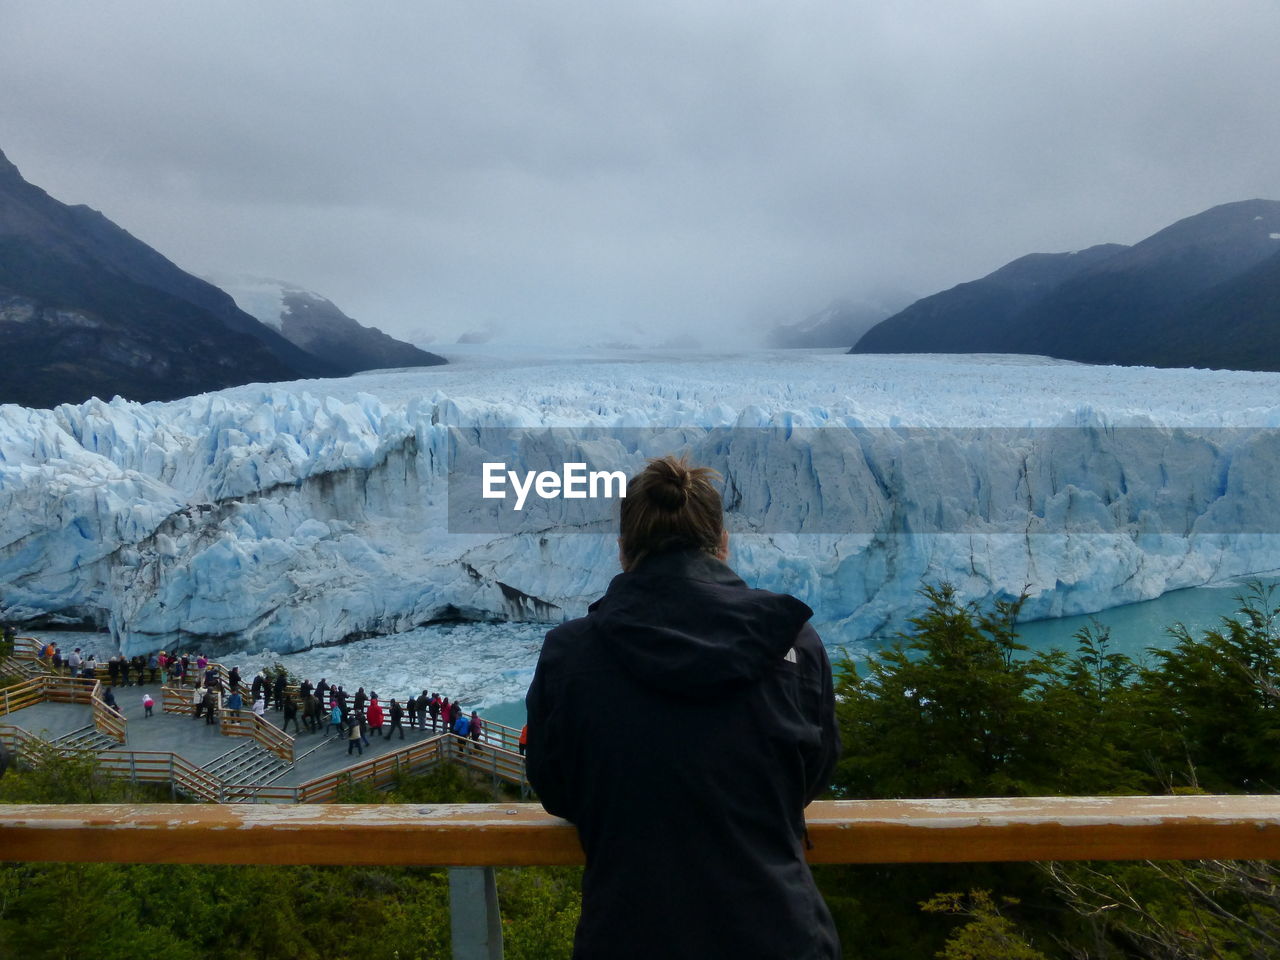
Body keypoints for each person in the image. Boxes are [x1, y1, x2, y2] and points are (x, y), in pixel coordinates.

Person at [525, 455, 840, 959]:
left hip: (627, 938)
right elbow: (811, 774)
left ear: (624, 550)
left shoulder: (571, 654)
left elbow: (557, 787)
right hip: (779, 937)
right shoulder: (793, 643)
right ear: (722, 543)